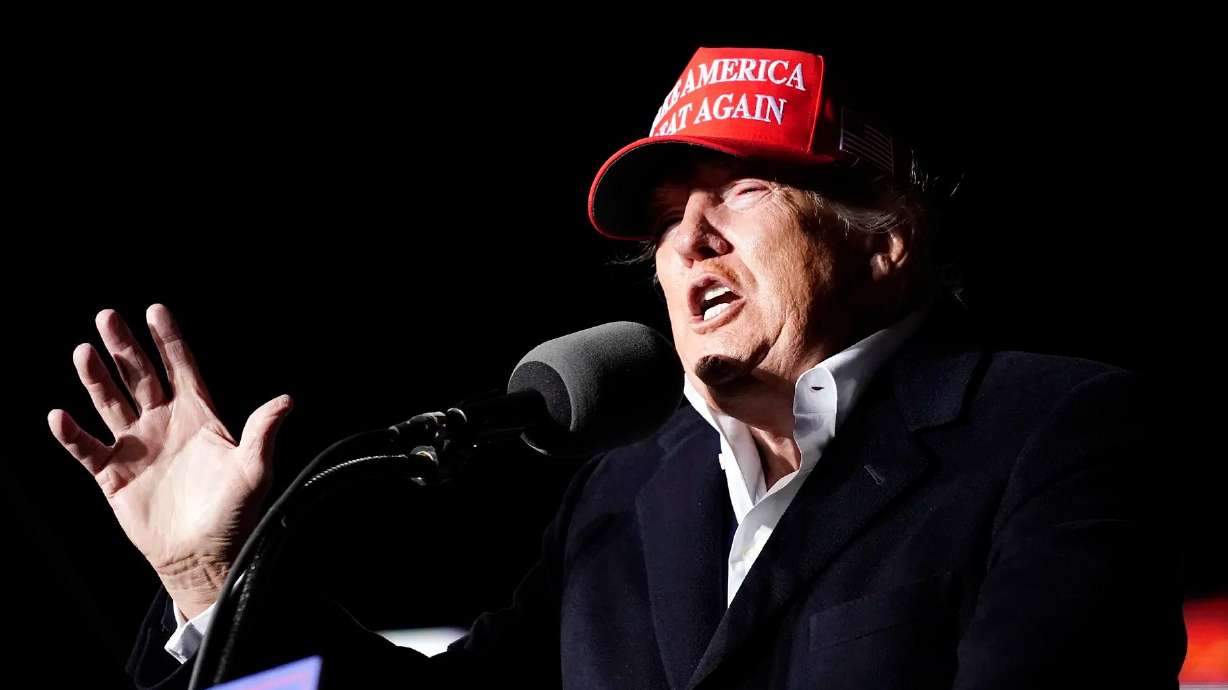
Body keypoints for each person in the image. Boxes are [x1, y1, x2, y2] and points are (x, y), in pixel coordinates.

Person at [49, 46, 1186, 689]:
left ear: (883, 237)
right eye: (663, 221)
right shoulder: (626, 492)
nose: (689, 242)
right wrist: (213, 580)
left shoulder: (1056, 430)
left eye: (742, 191)